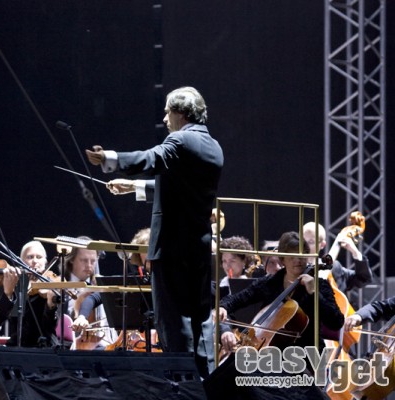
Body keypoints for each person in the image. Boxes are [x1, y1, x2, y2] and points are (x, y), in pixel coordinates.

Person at [86, 86, 223, 365]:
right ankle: (204, 376)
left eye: (167, 112)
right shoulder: (213, 146)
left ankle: (182, 376)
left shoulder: (180, 140)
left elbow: (152, 158)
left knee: (174, 320)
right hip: (197, 248)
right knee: (200, 319)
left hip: (171, 248)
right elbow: (179, 187)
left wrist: (111, 158)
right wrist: (133, 187)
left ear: (180, 113)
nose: (164, 118)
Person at [216, 231, 344, 353]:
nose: (298, 260)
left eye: (302, 255)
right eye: (292, 256)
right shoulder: (270, 283)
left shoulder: (320, 285)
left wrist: (314, 293)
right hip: (270, 353)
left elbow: (336, 322)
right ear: (283, 260)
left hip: (306, 355)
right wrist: (223, 311)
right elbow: (235, 300)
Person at [64, 239, 117, 350]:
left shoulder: (98, 285)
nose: (89, 265)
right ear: (72, 259)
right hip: (77, 344)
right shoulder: (63, 286)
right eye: (84, 260)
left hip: (108, 342)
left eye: (93, 261)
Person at [302, 221, 372, 294]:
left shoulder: (335, 268)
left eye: (311, 242)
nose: (305, 246)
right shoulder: (296, 268)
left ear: (322, 245)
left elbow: (363, 279)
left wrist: (356, 253)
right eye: (302, 241)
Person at [15, 240, 59, 348]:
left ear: (45, 261)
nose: (35, 261)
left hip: (46, 344)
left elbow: (50, 324)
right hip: (19, 343)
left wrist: (50, 305)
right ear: (21, 261)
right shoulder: (15, 284)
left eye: (39, 257)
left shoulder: (50, 283)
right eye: (30, 257)